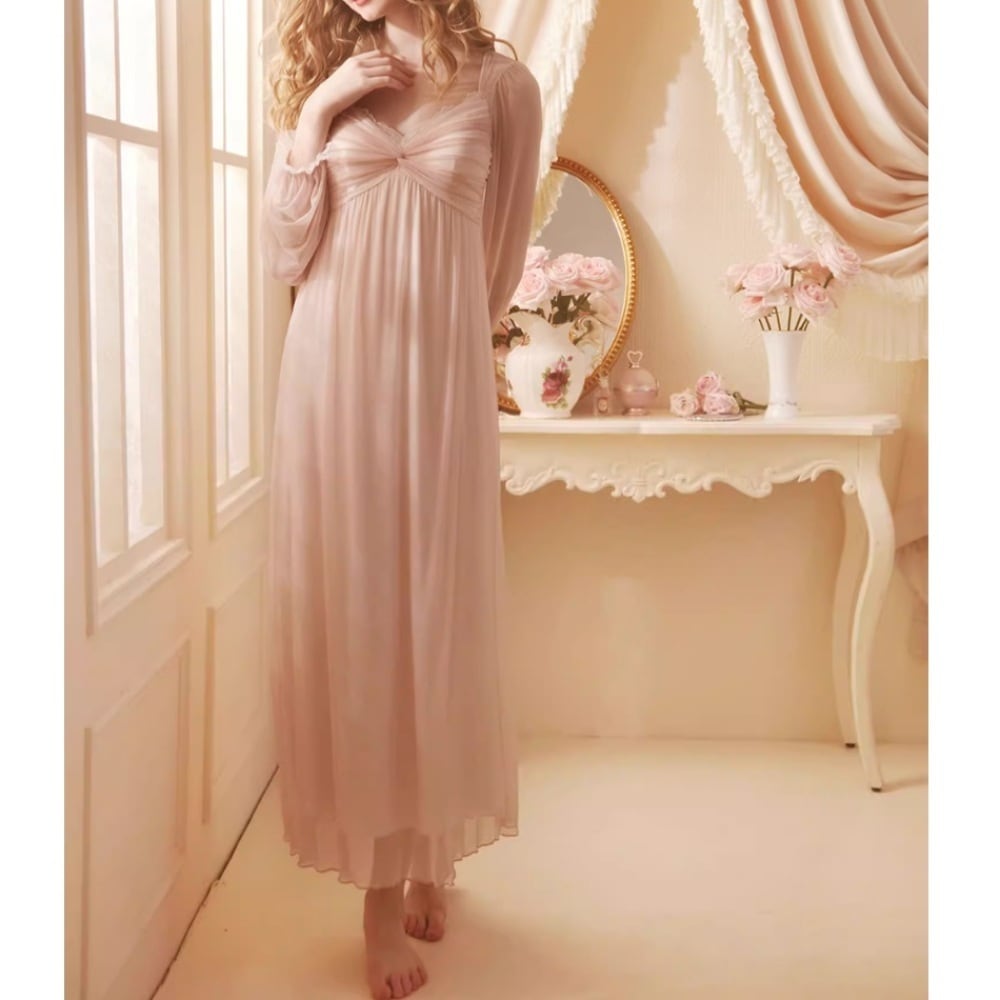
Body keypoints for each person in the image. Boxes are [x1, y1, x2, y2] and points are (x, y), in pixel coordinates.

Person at [260, 1, 543, 997]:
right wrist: (316, 116)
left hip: (438, 387)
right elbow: (285, 253)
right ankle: (379, 901)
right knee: (360, 625)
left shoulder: (503, 88)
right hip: (331, 382)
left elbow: (498, 263)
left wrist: (440, 349)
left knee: (436, 617)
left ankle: (433, 853)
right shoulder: (327, 76)